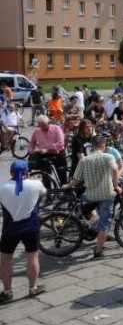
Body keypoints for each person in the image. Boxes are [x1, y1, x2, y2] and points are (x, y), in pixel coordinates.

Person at [0, 160, 47, 301]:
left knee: (6, 260)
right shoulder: (36, 184)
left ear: (11, 172)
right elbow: (44, 193)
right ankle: (32, 288)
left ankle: (7, 291)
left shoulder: (2, 187)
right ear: (27, 172)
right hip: (31, 227)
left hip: (10, 229)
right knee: (32, 256)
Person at [69, 135, 119, 259]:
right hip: (107, 194)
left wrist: (67, 185)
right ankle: (98, 250)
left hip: (90, 195)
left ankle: (90, 223)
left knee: (88, 206)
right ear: (103, 145)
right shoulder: (108, 157)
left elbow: (76, 179)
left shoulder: (84, 160)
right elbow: (115, 170)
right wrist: (116, 185)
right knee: (105, 223)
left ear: (92, 146)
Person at [28, 115, 68, 185]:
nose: (42, 127)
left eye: (44, 125)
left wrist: (47, 149)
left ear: (48, 123)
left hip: (58, 153)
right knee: (45, 176)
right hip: (44, 155)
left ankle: (65, 192)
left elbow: (61, 143)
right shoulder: (37, 131)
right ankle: (48, 193)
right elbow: (31, 143)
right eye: (40, 125)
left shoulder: (56, 128)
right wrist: (32, 151)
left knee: (62, 175)